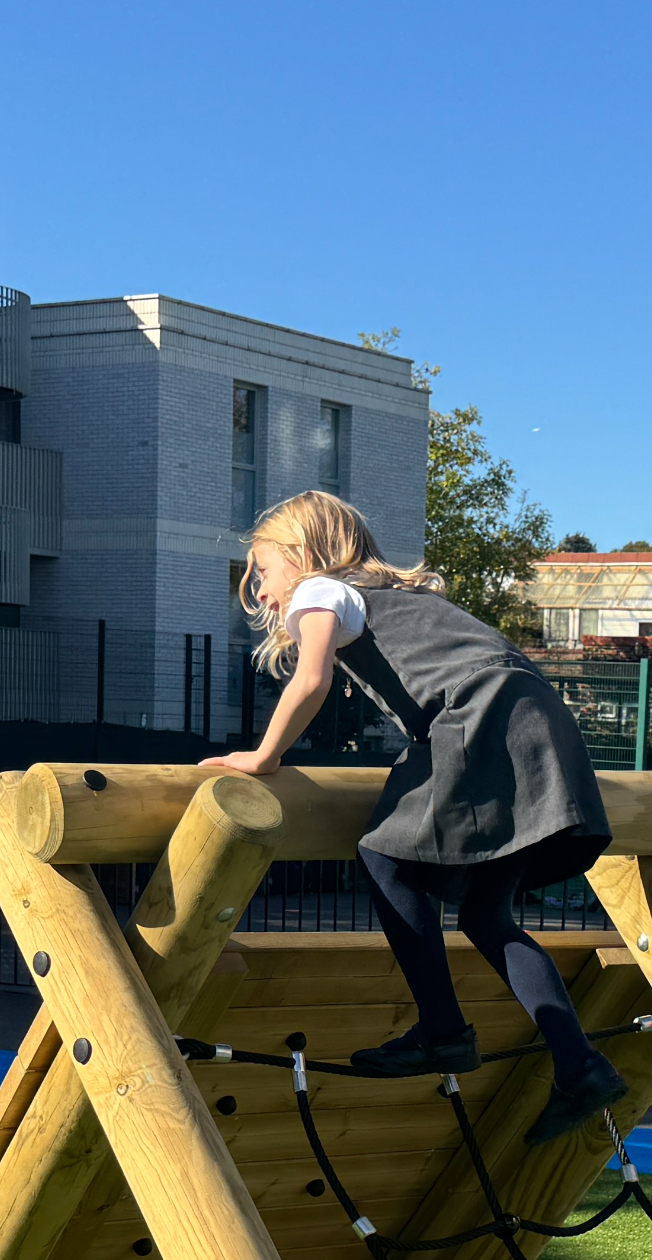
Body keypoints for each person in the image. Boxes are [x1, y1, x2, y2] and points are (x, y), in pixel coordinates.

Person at [202, 490, 624, 1145]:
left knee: (381, 854)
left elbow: (311, 680)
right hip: (535, 717)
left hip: (475, 715)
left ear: (303, 554)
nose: (259, 589)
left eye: (262, 570)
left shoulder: (322, 591)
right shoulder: (401, 597)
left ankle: (443, 1030)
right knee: (486, 916)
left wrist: (263, 756)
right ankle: (580, 1065)